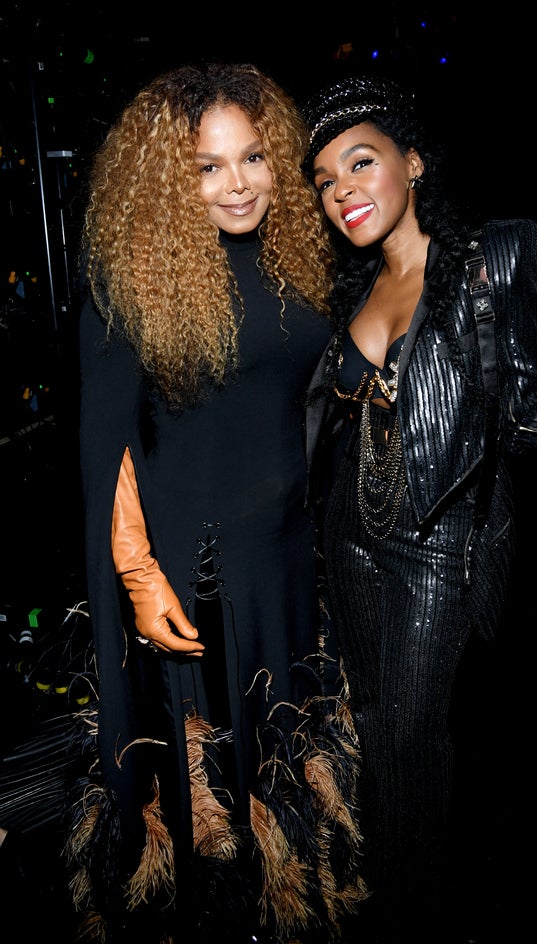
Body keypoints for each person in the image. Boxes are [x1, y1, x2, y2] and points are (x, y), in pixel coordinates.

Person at [300, 74, 537, 943]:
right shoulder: (348, 297)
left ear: (412, 165)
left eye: (361, 163)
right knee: (376, 737)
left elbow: (525, 412)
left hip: (439, 548)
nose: (344, 191)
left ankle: (415, 913)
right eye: (328, 181)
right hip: (352, 544)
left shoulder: (495, 258)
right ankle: (389, 901)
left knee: (411, 739)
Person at [66, 61, 367, 944]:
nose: (238, 183)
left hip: (286, 559)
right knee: (205, 798)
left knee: (286, 765)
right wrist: (135, 569)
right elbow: (106, 453)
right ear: (170, 180)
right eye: (208, 166)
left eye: (254, 158)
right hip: (192, 574)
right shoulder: (132, 283)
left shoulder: (301, 263)